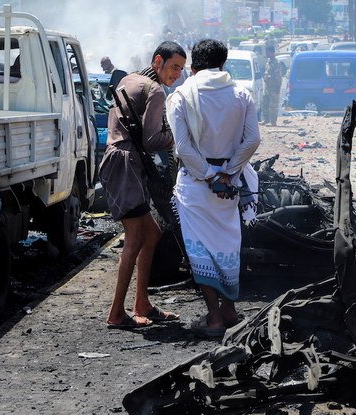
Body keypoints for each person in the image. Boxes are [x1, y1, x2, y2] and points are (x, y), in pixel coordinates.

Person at [166, 38, 260, 337]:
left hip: (196, 185)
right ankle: (229, 311)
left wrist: (209, 175)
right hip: (229, 186)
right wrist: (228, 173)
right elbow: (253, 140)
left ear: (193, 67)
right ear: (224, 64)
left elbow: (182, 147)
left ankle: (215, 318)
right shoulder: (242, 95)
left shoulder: (181, 95)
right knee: (227, 245)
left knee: (200, 251)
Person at [98, 41, 187, 329]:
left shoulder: (129, 80)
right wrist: (178, 135)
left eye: (181, 70)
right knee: (136, 237)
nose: (177, 75)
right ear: (158, 61)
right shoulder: (156, 90)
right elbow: (151, 141)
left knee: (152, 233)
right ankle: (116, 313)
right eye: (174, 67)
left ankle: (142, 304)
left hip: (115, 161)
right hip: (126, 164)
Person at [259, 44, 283, 127]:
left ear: (272, 52)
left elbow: (278, 77)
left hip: (273, 88)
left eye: (267, 52)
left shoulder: (276, 63)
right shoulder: (268, 62)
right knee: (265, 104)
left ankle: (273, 122)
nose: (266, 53)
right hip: (267, 87)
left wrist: (278, 88)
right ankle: (266, 120)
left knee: (273, 106)